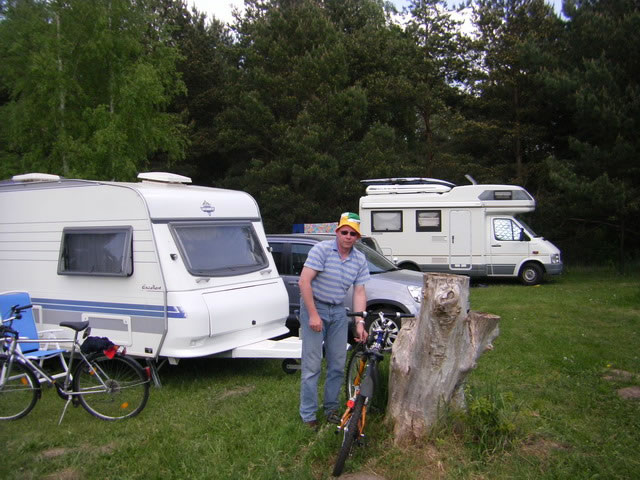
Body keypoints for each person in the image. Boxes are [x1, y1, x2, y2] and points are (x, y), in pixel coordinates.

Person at [298, 212, 370, 428]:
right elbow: (304, 282)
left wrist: (360, 323)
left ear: (357, 237)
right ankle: (308, 414)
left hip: (338, 310)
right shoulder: (321, 250)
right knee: (312, 365)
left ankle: (331, 409)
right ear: (337, 232)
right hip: (315, 305)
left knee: (337, 364)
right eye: (344, 232)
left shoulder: (359, 259)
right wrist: (313, 314)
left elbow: (359, 292)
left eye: (352, 234)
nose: (348, 236)